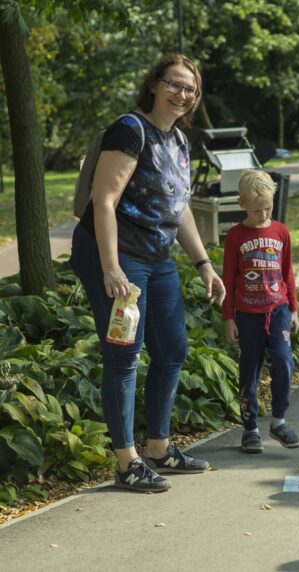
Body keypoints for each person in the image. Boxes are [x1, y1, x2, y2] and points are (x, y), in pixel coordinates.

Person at [69, 53, 225, 493]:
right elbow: (103, 201)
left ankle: (158, 448)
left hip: (157, 258)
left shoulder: (178, 140)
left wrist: (204, 264)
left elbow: (180, 209)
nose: (183, 94)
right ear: (155, 83)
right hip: (117, 255)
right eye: (175, 84)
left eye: (190, 89)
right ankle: (126, 461)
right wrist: (111, 267)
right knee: (124, 354)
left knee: (172, 349)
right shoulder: (130, 130)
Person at [222, 170, 299, 454]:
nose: (263, 214)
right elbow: (229, 279)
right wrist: (228, 317)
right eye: (256, 210)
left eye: (268, 208)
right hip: (247, 315)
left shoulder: (281, 232)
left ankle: (279, 420)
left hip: (278, 310)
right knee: (249, 370)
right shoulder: (234, 236)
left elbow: (287, 272)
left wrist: (293, 308)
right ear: (241, 203)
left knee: (283, 361)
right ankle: (250, 428)